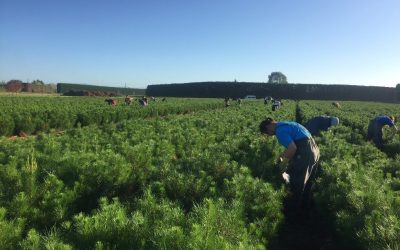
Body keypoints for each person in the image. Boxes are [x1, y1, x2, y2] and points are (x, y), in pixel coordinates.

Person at [259, 118, 320, 220]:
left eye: (267, 133)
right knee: (308, 183)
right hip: (314, 150)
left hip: (305, 153)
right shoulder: (289, 124)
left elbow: (292, 148)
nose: (269, 135)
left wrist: (283, 165)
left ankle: (292, 217)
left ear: (268, 126)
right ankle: (306, 212)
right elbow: (294, 145)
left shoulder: (279, 131)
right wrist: (283, 155)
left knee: (297, 183)